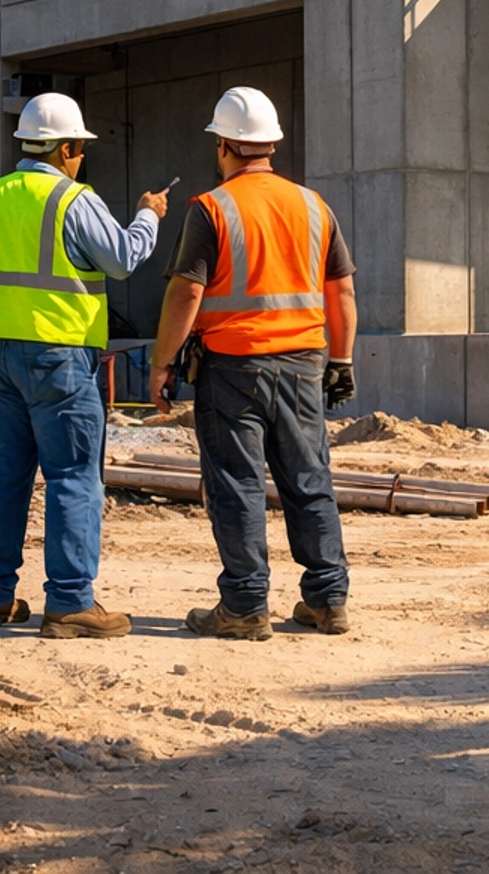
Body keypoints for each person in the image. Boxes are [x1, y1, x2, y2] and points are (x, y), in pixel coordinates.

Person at [0, 92, 170, 637]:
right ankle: (70, 601)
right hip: (59, 358)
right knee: (73, 476)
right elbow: (120, 259)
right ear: (67, 147)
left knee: (3, 475)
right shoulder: (73, 200)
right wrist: (148, 216)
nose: (80, 159)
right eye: (79, 150)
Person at [149, 86, 357, 641]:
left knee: (237, 484)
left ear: (223, 145)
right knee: (309, 478)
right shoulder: (314, 207)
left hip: (233, 367)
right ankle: (328, 599)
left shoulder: (211, 209)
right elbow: (342, 294)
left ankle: (244, 606)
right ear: (270, 146)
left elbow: (185, 296)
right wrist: (342, 359)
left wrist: (161, 364)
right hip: (304, 366)